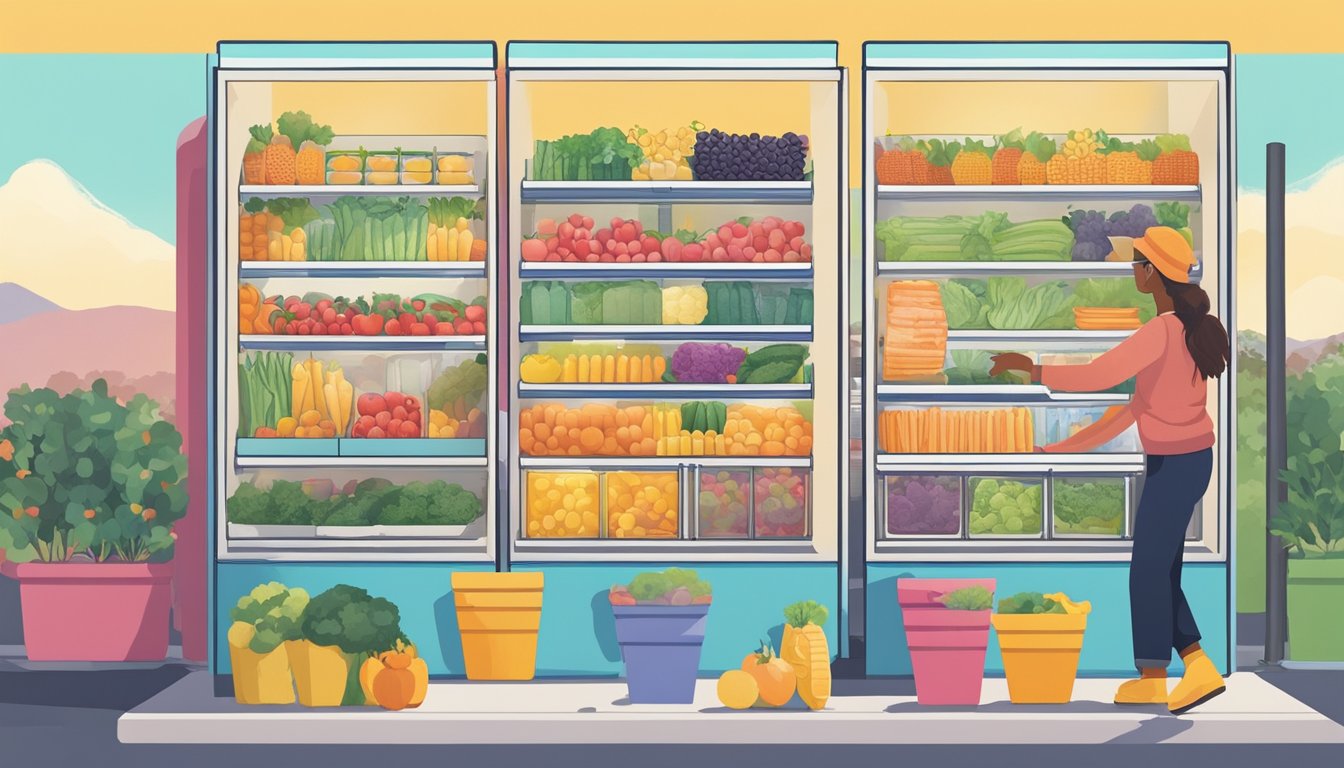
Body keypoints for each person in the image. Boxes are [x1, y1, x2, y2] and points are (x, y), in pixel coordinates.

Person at [990, 226, 1231, 715]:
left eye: (1138, 262)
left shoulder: (1162, 330)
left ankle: (1194, 667)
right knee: (1159, 568)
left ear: (1154, 274)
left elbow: (1100, 374)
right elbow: (1127, 411)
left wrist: (1033, 370)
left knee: (1148, 569)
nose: (1132, 269)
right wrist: (1063, 446)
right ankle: (1156, 674)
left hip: (1179, 464)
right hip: (1182, 461)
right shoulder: (1183, 330)